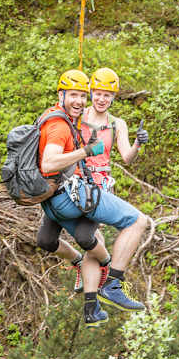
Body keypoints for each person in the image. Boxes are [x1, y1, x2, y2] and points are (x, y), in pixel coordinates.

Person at [36, 69, 148, 328]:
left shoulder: (116, 124)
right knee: (45, 240)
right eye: (97, 94)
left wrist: (138, 145)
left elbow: (126, 158)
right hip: (70, 183)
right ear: (91, 94)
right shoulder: (78, 115)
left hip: (96, 187)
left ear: (113, 98)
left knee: (88, 239)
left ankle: (94, 301)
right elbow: (61, 138)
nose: (101, 99)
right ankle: (93, 270)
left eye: (107, 95)